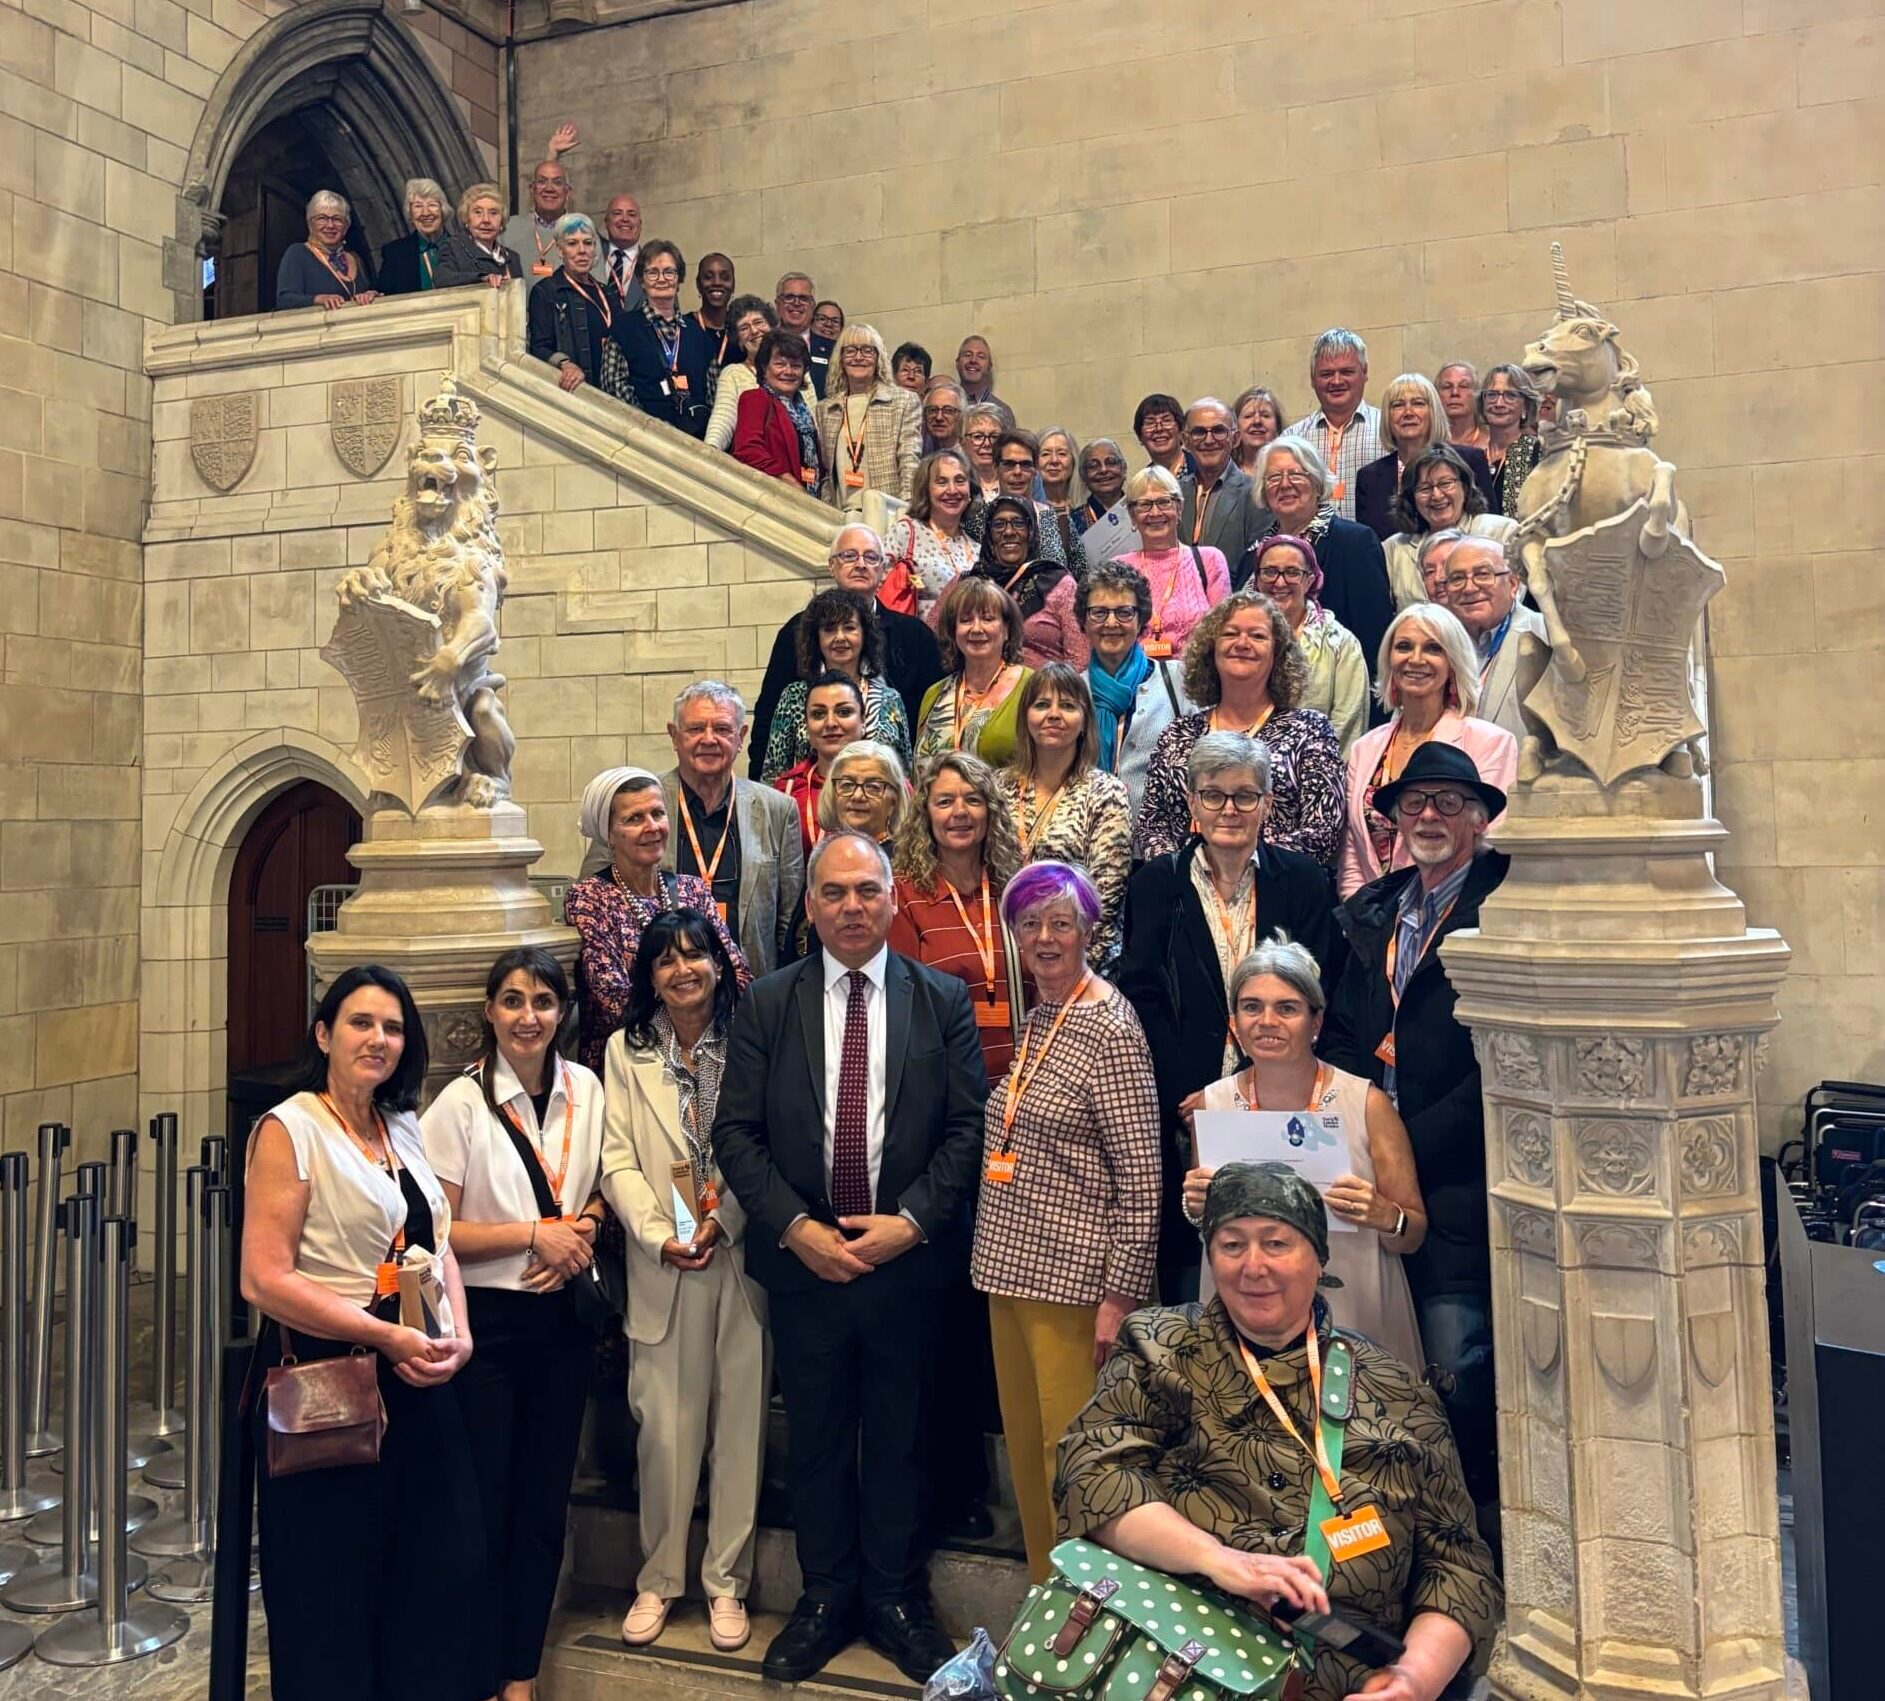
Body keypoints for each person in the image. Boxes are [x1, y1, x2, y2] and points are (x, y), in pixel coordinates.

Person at [1054, 1162, 1501, 1701]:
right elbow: (1092, 1475)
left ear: (1318, 1258)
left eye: (1276, 1242)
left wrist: (1415, 1680)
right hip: (1185, 1673)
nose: (1254, 1266)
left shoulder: (1394, 1386)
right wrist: (1220, 1562)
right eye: (1232, 1244)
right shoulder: (1160, 1347)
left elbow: (1460, 1565)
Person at [710, 832, 986, 1686]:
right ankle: (826, 1597)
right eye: (834, 892)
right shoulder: (767, 1002)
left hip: (907, 1261)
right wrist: (797, 1229)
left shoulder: (940, 997)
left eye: (867, 889)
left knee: (901, 1436)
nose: (852, 906)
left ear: (892, 898)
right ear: (810, 905)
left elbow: (966, 1129)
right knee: (822, 1437)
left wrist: (910, 1223)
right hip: (806, 1262)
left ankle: (897, 1599)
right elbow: (735, 1133)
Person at [240, 966, 482, 1701]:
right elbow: (265, 1279)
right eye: (360, 1022)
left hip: (417, 1366)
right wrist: (382, 1339)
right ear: (323, 1033)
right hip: (329, 1377)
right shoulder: (293, 1128)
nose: (379, 1038)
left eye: (394, 1026)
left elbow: (436, 1240)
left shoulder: (400, 1123)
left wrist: (459, 1334)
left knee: (434, 1566)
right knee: (332, 1585)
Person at [1323, 743, 1513, 1536]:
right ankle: (1388, 1541)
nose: (1428, 816)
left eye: (1446, 801)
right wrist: (1358, 1124)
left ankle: (1473, 1548)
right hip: (1369, 1183)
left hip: (1458, 1180)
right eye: (1413, 803)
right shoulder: (1372, 908)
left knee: (1457, 1371)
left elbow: (1505, 1058)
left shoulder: (1506, 903)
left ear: (1476, 816)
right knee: (1370, 1376)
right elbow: (1334, 1028)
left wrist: (1401, 1139)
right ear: (1393, 820)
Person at [420, 948, 605, 1701]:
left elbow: (597, 1194)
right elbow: (435, 1233)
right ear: (489, 1012)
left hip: (561, 1317)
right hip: (488, 1324)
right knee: (485, 1505)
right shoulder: (459, 1104)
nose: (528, 1016)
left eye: (543, 1001)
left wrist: (578, 1232)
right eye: (512, 1001)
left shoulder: (585, 1088)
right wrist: (535, 1235)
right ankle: (473, 1670)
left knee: (542, 1504)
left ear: (563, 1012)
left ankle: (521, 1673)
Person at [971, 860, 1160, 1580]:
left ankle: (1082, 1621)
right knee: (1026, 1454)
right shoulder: (1043, 1011)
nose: (1044, 936)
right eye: (1028, 923)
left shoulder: (1108, 1022)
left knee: (1071, 1459)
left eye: (1060, 922)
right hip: (1009, 1267)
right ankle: (1041, 1602)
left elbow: (1142, 1174)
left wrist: (1120, 1293)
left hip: (1074, 1281)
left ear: (1088, 929)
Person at [1115, 733, 1337, 1302]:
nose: (1229, 810)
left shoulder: (1304, 882)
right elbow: (1143, 996)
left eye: (1245, 796)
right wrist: (1195, 1096)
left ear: (1267, 803)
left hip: (1285, 1104)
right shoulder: (1155, 885)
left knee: (1281, 1258)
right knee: (1200, 1273)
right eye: (1213, 796)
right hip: (1187, 1110)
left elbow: (1316, 994)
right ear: (1191, 802)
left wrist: (1249, 1091)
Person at [602, 912, 767, 1655]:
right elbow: (614, 1158)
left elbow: (768, 1140)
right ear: (649, 975)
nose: (681, 970)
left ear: (716, 963)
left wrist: (722, 1217)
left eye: (693, 954)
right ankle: (659, 1577)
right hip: (663, 1259)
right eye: (665, 960)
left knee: (737, 1431)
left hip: (736, 1254)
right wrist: (659, 1230)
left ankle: (725, 1582)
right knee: (665, 1434)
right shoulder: (623, 1050)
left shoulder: (751, 1036)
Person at [1180, 939, 1425, 1366]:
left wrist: (1386, 1216)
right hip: (1249, 1312)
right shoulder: (1210, 1104)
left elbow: (1414, 1233)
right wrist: (1195, 1204)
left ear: (1316, 1022)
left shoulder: (1366, 1104)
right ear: (1234, 1022)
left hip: (1353, 1311)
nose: (1267, 1021)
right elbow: (1209, 1226)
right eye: (1251, 1007)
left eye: (1286, 1008)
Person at [1135, 591, 1347, 867]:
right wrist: (1185, 874)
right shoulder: (1178, 734)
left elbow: (1323, 830)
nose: (1242, 643)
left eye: (1257, 636)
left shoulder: (1310, 731)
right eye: (1230, 633)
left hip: (1280, 890)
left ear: (1278, 653)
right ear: (1210, 649)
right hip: (1184, 892)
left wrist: (1242, 868)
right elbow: (1153, 822)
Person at [566, 767, 748, 1073]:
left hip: (708, 1054)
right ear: (608, 833)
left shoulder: (693, 889)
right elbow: (614, 1002)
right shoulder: (589, 898)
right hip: (630, 1060)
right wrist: (694, 1001)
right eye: (634, 819)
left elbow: (737, 974)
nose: (651, 827)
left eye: (658, 814)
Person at [1336, 604, 1517, 899]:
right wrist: (1360, 918)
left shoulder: (1490, 743)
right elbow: (1353, 851)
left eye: (1433, 648)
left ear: (1453, 663)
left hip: (1455, 916)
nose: (1415, 659)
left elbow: (1489, 845)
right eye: (1404, 646)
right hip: (1373, 925)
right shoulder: (1364, 748)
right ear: (1389, 659)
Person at [749, 523, 944, 781]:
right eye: (849, 556)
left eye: (871, 557)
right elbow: (766, 725)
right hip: (804, 803)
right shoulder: (795, 633)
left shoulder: (914, 635)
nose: (860, 564)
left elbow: (929, 728)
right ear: (832, 566)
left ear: (884, 569)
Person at [889, 752, 1027, 1080]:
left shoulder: (1015, 888)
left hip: (1022, 1081)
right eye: (945, 801)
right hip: (946, 1081)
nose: (960, 812)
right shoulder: (904, 896)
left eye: (973, 799)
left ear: (991, 810)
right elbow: (903, 1002)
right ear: (926, 814)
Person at [659, 681, 804, 976]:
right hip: (666, 988)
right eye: (696, 729)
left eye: (722, 729)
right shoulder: (639, 802)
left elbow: (790, 921)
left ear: (741, 737)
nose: (709, 739)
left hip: (751, 991)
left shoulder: (778, 809)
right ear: (674, 736)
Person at [997, 665, 1131, 963]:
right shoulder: (997, 787)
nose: (1053, 714)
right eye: (1042, 704)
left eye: (1068, 705)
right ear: (1025, 717)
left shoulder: (1106, 793)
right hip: (1003, 957)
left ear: (1084, 722)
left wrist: (1073, 972)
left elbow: (1104, 901)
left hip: (1077, 961)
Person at [1251, 437, 1395, 677]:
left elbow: (1374, 637)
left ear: (1317, 483)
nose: (1285, 485)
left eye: (1296, 474)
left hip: (1338, 689)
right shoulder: (1255, 551)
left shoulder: (1354, 542)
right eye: (1274, 477)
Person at [1072, 561, 1193, 813]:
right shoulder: (1072, 691)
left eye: (1124, 612)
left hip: (1161, 843)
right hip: (1088, 837)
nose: (1111, 623)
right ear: (1084, 622)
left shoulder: (1178, 681)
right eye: (1099, 612)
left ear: (1141, 621)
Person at [760, 588, 912, 781]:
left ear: (864, 635)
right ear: (817, 638)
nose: (840, 637)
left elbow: (905, 772)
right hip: (807, 808)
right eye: (830, 629)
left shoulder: (889, 698)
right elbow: (774, 773)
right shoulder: (793, 696)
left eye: (849, 627)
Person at [1253, 533, 1368, 751]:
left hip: (1315, 772)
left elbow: (1347, 723)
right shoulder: (1239, 638)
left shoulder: (1340, 643)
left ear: (1310, 580)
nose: (1279, 582)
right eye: (1269, 572)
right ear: (1257, 579)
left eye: (1293, 572)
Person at [1113, 465, 1232, 662]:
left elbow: (1222, 634)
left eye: (1164, 502)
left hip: (1195, 683)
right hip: (1136, 683)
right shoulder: (1118, 568)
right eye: (1144, 504)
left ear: (1179, 507)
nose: (1155, 512)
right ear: (1132, 516)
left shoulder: (1210, 560)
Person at [1355, 374, 1494, 542]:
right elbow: (1370, 545)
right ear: (1387, 417)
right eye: (1398, 405)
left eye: (1418, 404)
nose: (1408, 413)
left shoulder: (1470, 460)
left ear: (1433, 411)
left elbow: (1489, 527)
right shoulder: (1369, 477)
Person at [914, 576, 1033, 768]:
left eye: (988, 618)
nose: (976, 629)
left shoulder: (1033, 687)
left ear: (1007, 629)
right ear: (953, 631)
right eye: (965, 620)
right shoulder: (934, 694)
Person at [1382, 444, 1519, 610]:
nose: (1437, 495)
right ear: (1411, 498)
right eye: (1424, 488)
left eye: (1446, 483)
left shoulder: (1502, 532)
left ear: (1465, 486)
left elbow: (1514, 599)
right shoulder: (1394, 549)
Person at [1440, 537, 1544, 743]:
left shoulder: (1545, 635)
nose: (1469, 588)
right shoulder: (1436, 643)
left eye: (1483, 574)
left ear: (1513, 584)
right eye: (1457, 578)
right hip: (1448, 770)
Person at [959, 496, 1083, 667]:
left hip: (1044, 690)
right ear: (988, 533)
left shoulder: (1059, 583)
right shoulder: (968, 583)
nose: (1009, 532)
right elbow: (937, 639)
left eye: (1018, 523)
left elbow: (1080, 658)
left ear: (1031, 530)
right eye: (998, 524)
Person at [815, 323, 922, 508]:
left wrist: (906, 511)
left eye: (867, 350)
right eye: (850, 350)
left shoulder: (904, 401)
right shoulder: (825, 409)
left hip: (886, 511)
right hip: (841, 515)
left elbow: (909, 461)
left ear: (878, 357)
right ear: (840, 358)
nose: (858, 357)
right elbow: (826, 475)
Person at [1284, 327, 1381, 520]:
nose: (1336, 381)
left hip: (1376, 547)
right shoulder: (1292, 440)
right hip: (1312, 549)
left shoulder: (1387, 431)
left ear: (1365, 372)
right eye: (1326, 374)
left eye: (1346, 372)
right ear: (1312, 379)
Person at [525, 214, 628, 395]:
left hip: (613, 392)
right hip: (574, 392)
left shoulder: (609, 293)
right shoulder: (546, 292)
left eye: (588, 243)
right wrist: (564, 364)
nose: (582, 250)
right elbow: (538, 347)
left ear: (595, 248)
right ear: (560, 250)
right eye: (572, 243)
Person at [620, 241, 713, 436]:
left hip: (696, 438)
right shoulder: (623, 329)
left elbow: (713, 393)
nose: (661, 279)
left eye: (669, 272)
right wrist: (648, 429)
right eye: (652, 272)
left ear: (679, 280)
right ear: (642, 281)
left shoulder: (698, 334)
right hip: (645, 438)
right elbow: (616, 388)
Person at [771, 671, 866, 859]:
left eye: (844, 712)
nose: (830, 723)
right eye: (818, 714)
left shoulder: (891, 786)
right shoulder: (785, 791)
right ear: (806, 726)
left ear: (863, 721)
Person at [969, 429, 1081, 574]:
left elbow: (1081, 574)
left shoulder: (1055, 519)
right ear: (996, 468)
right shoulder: (980, 520)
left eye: (1025, 465)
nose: (1017, 472)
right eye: (1009, 464)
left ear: (1035, 469)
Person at [883, 447, 979, 616]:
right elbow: (876, 586)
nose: (952, 490)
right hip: (916, 637)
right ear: (926, 490)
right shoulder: (905, 532)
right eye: (941, 482)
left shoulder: (976, 547)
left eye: (960, 480)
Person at [1180, 396, 1265, 575]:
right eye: (1199, 432)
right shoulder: (1174, 494)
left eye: (1219, 431)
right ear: (1186, 441)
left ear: (1235, 439)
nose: (1209, 440)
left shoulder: (1256, 494)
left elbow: (1257, 565)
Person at [731, 329, 821, 489]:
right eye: (780, 364)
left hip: (811, 497)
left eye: (796, 365)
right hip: (776, 496)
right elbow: (748, 450)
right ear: (765, 368)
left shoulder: (803, 409)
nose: (788, 371)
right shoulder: (755, 398)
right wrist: (788, 481)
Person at [275, 190, 379, 310]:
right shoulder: (297, 253)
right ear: (310, 224)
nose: (330, 225)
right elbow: (284, 300)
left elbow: (373, 291)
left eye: (337, 219)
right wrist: (318, 299)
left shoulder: (356, 259)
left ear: (346, 226)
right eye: (322, 218)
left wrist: (371, 295)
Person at [704, 294, 782, 451]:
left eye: (759, 322)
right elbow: (722, 420)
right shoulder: (733, 374)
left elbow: (813, 420)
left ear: (772, 327)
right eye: (744, 328)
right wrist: (709, 452)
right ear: (738, 340)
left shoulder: (795, 368)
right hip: (753, 466)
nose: (754, 331)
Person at [504, 157, 601, 282]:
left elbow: (597, 287)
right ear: (532, 189)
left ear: (567, 192)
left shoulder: (585, 232)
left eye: (557, 182)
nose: (549, 188)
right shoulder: (508, 229)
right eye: (542, 181)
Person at [1477, 361, 1545, 518]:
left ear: (1525, 407)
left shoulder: (1539, 451)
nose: (1499, 403)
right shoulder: (1472, 456)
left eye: (1510, 395)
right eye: (1492, 395)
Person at [814, 740, 911, 847]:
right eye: (847, 785)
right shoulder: (826, 855)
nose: (857, 796)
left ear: (894, 801)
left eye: (873, 787)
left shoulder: (905, 860)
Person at [434, 182, 523, 289]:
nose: (486, 220)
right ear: (467, 218)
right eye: (478, 212)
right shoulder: (452, 247)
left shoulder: (513, 257)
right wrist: (481, 279)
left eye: (493, 213)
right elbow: (442, 279)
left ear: (501, 221)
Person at [376, 177, 448, 295]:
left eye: (432, 205)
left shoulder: (461, 247)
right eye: (418, 206)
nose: (425, 213)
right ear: (410, 214)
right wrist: (372, 293)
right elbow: (382, 292)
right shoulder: (395, 253)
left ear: (442, 210)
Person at [1074, 436, 1139, 564]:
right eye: (1093, 466)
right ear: (1083, 476)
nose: (1103, 470)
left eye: (1111, 462)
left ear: (1124, 469)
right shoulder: (1074, 521)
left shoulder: (1142, 510)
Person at [1035, 426, 1081, 565]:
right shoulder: (1030, 511)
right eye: (1045, 454)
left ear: (1073, 461)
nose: (1054, 460)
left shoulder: (1086, 506)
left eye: (1062, 454)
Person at [691, 252, 736, 387]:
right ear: (698, 284)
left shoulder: (741, 331)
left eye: (725, 277)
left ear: (733, 284)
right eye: (708, 277)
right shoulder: (684, 327)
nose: (717, 282)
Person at [598, 193, 644, 308]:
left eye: (632, 214)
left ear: (640, 224)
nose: (625, 219)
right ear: (606, 223)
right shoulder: (589, 257)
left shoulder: (653, 264)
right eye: (617, 213)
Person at [1231, 384, 1289, 474]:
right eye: (1248, 416)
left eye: (1265, 415)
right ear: (1236, 427)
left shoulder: (1290, 469)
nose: (1257, 421)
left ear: (1277, 426)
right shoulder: (1225, 473)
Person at [1133, 392, 1190, 479]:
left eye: (1166, 420)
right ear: (1140, 436)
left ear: (1180, 429)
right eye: (1150, 422)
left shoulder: (1203, 471)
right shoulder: (1142, 484)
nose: (1159, 428)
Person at [960, 403, 1006, 503]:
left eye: (994, 437)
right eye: (978, 437)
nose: (986, 444)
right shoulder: (956, 481)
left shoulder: (1022, 476)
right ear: (962, 442)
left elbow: (1044, 514)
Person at [955, 334, 1008, 417]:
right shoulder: (946, 407)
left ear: (989, 367)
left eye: (981, 356)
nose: (973, 360)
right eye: (968, 355)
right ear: (957, 363)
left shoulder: (1002, 411)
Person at [1436, 360, 1485, 449]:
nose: (1455, 392)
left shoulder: (1494, 444)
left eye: (1463, 386)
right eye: (1447, 387)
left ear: (1477, 394)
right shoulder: (1426, 445)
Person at [807, 299, 844, 398]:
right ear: (811, 322)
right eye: (822, 319)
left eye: (835, 321)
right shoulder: (802, 348)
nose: (828, 324)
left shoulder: (846, 354)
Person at [918, 376, 965, 455]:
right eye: (932, 410)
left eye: (948, 410)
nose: (939, 417)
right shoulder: (919, 451)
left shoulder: (969, 457)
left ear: (962, 415)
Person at [773, 270, 817, 337]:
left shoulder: (827, 345)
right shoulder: (763, 343)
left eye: (803, 298)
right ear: (778, 304)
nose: (796, 303)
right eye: (789, 297)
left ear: (812, 306)